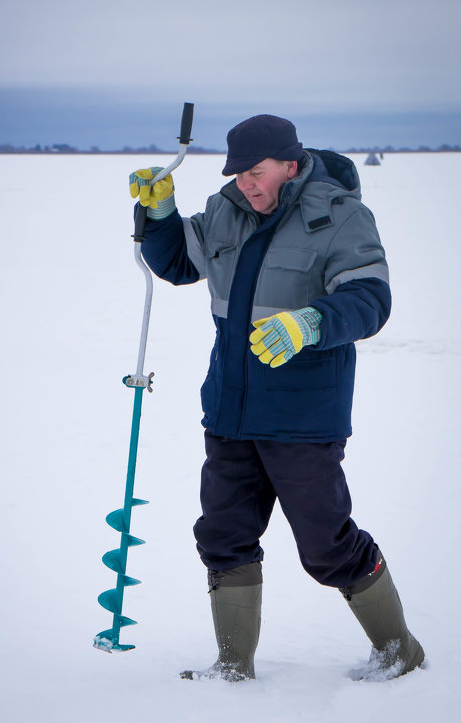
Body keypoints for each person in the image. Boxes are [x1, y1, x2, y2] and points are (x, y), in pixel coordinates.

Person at [128, 114, 424, 682]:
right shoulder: (224, 212)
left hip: (303, 414)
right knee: (223, 534)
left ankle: (399, 651)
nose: (246, 184)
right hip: (231, 409)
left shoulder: (340, 217)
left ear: (291, 164)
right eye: (238, 174)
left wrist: (312, 322)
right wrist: (159, 216)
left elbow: (370, 300)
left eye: (256, 173)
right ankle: (233, 665)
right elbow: (175, 265)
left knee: (326, 543)